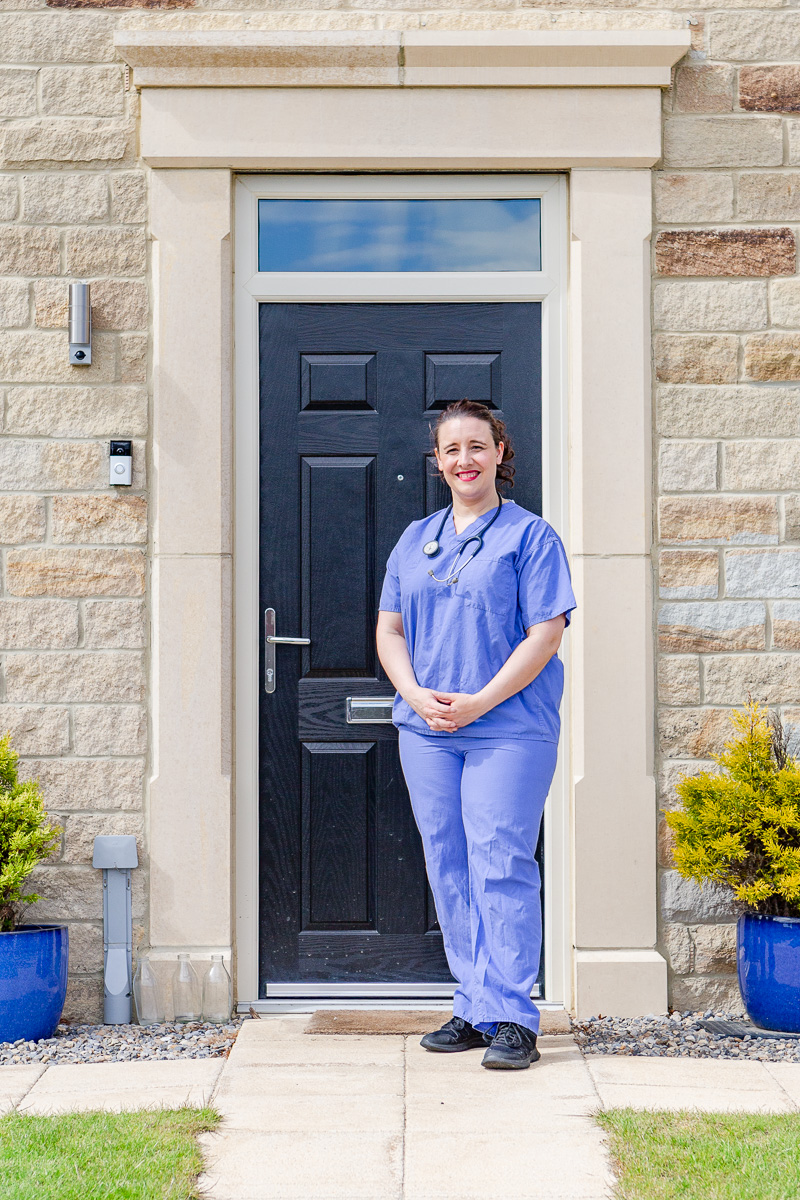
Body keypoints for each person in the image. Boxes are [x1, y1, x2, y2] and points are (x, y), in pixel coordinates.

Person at [375, 399, 575, 1070]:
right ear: (437, 462)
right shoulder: (414, 538)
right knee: (449, 863)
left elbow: (545, 634)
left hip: (509, 728)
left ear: (500, 454)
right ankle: (475, 1003)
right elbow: (391, 628)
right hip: (427, 728)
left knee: (501, 859)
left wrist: (480, 701)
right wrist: (413, 695)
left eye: (477, 447)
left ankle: (515, 1015)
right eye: (451, 449)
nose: (464, 459)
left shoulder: (531, 537)